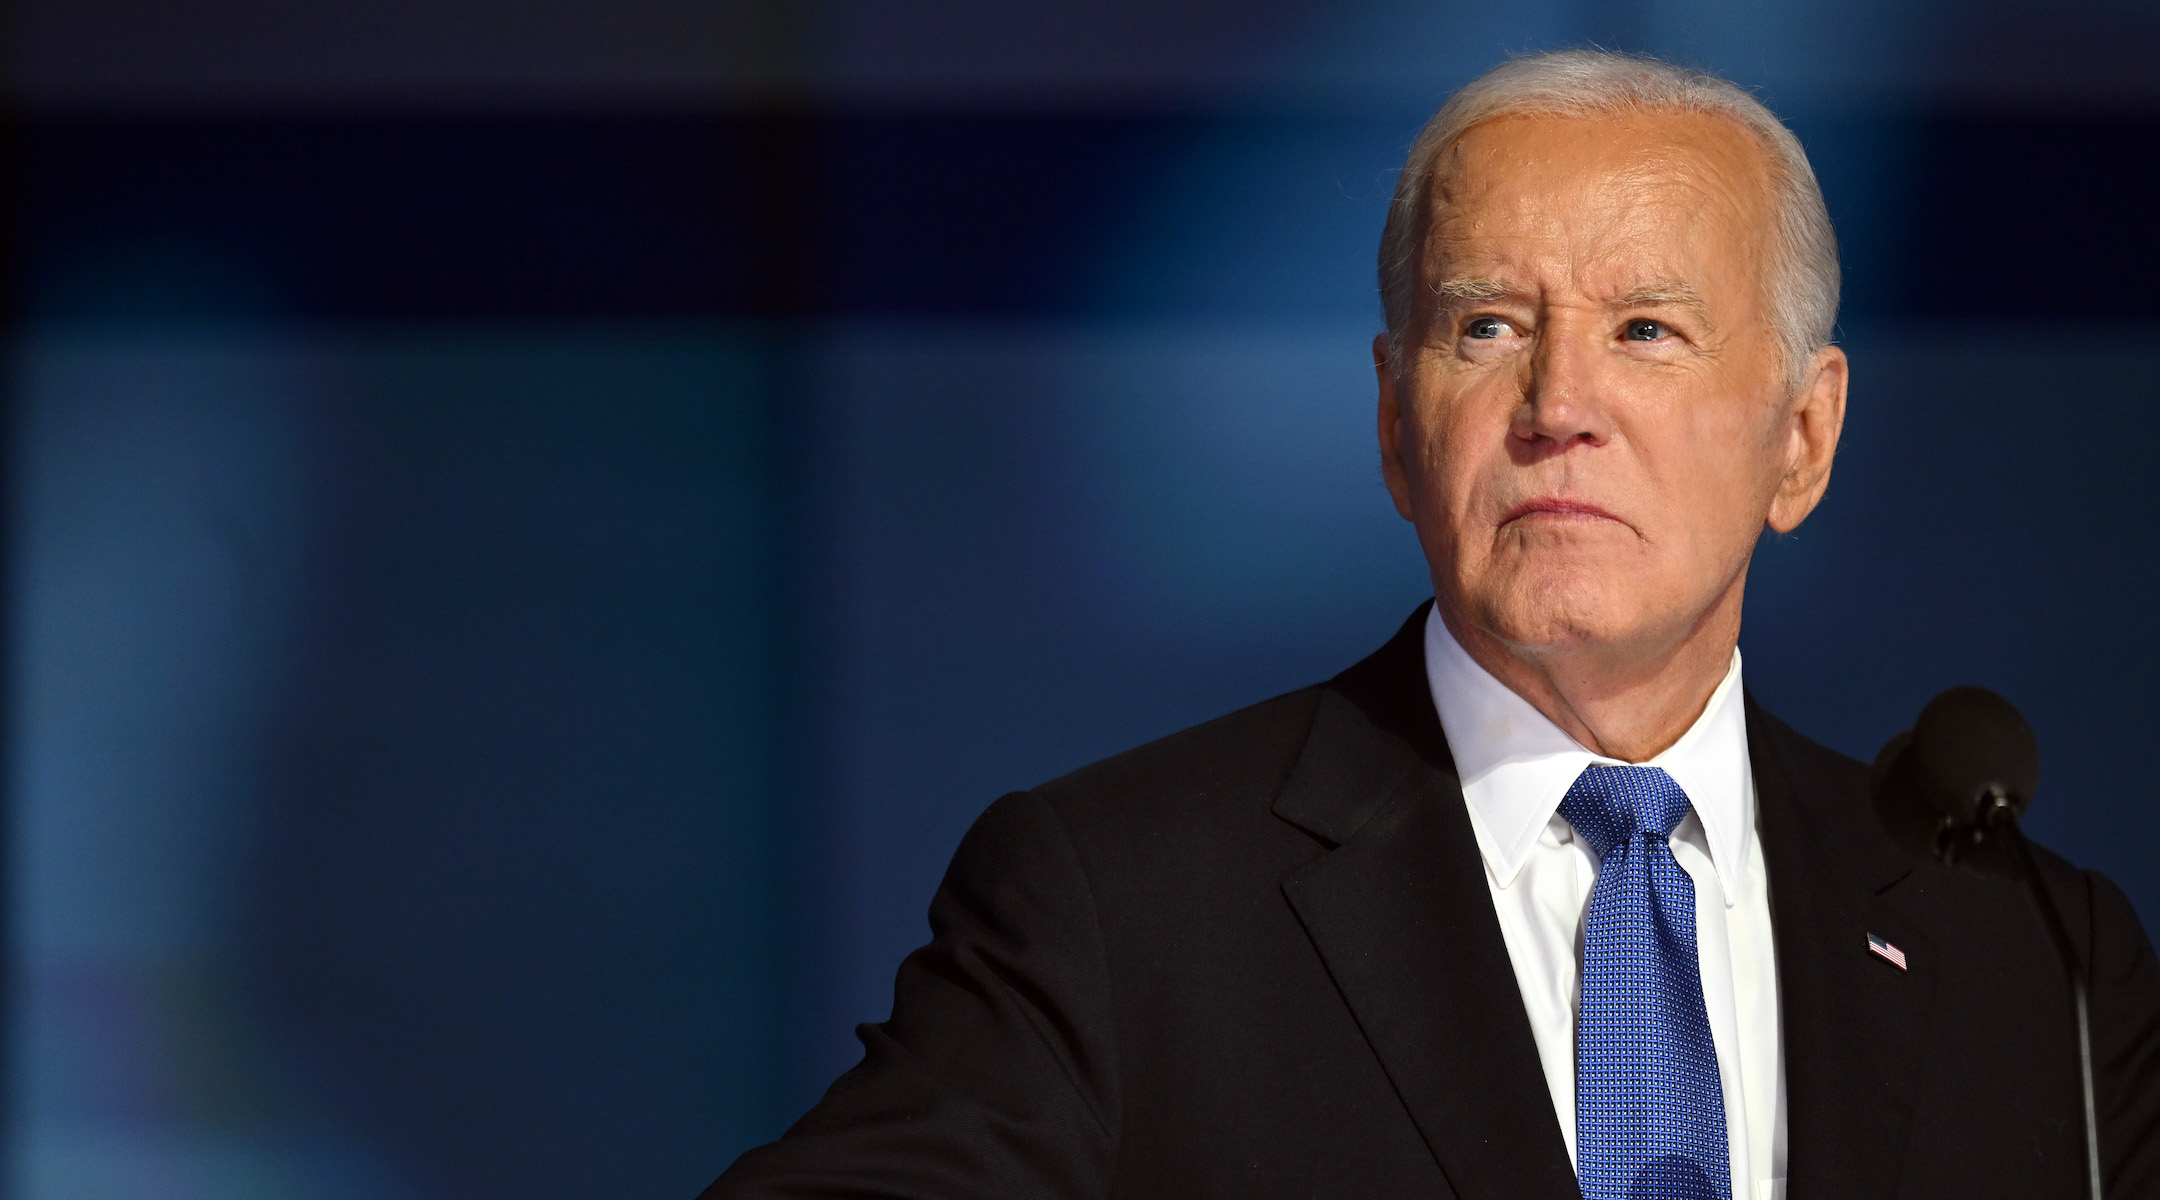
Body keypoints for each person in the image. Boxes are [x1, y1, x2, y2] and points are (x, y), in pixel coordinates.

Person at [704, 50, 2160, 1199]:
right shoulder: (1118, 904)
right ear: (1400, 433)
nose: (1557, 408)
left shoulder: (2031, 953)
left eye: (1645, 329)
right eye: (1488, 329)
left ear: (1805, 438)